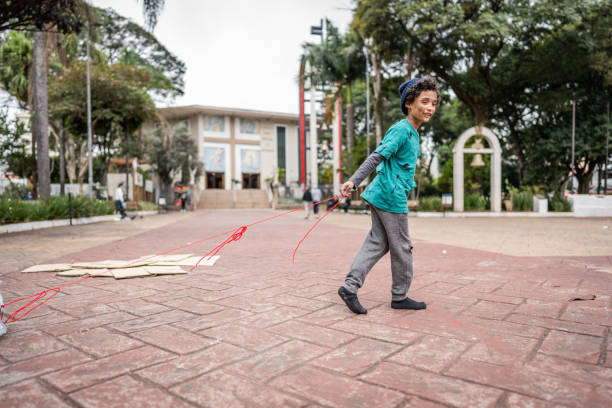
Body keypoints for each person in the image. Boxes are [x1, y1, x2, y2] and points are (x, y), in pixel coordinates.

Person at [337, 76, 440, 314]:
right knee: (402, 246)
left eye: (433, 103)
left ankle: (349, 287)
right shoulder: (402, 130)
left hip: (383, 193)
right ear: (409, 104)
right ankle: (399, 296)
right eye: (424, 101)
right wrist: (354, 180)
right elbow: (377, 156)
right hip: (391, 196)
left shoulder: (412, 133)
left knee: (378, 242)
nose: (429, 108)